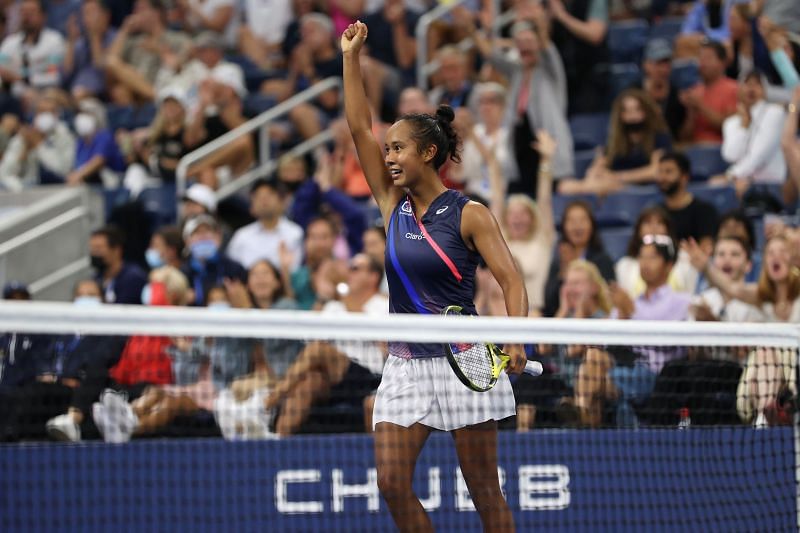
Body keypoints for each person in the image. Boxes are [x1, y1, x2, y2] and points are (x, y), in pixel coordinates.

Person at [342, 21, 527, 532]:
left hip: (462, 359)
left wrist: (517, 339)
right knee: (391, 482)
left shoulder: (469, 213)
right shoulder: (391, 205)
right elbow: (360, 128)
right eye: (389, 150)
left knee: (484, 492)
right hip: (405, 365)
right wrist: (351, 59)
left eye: (399, 148)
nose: (389, 156)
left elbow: (511, 279)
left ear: (428, 153)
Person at [264, 253, 388, 436]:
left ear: (373, 276)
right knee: (309, 382)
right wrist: (323, 299)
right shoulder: (333, 307)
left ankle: (269, 401)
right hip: (334, 379)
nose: (348, 273)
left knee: (320, 350)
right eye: (349, 268)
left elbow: (384, 345)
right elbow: (309, 338)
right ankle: (275, 441)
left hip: (369, 378)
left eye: (355, 268)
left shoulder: (383, 305)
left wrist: (343, 292)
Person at [720, 71, 787, 198]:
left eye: (757, 84)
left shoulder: (775, 113)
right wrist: (744, 126)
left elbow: (760, 154)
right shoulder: (731, 122)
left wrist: (730, 175)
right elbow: (730, 155)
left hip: (770, 184)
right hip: (740, 181)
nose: (751, 88)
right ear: (739, 90)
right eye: (747, 84)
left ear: (765, 91)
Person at [543, 200, 615, 317]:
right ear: (564, 226)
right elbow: (549, 304)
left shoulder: (603, 260)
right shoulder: (558, 261)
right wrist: (564, 270)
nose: (577, 226)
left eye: (582, 220)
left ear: (592, 225)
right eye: (571, 221)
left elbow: (609, 297)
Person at [615, 205, 697, 298]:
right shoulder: (625, 265)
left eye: (660, 223)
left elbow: (691, 294)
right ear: (638, 230)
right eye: (647, 222)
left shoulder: (684, 260)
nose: (654, 228)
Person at [0, 93, 76, 190]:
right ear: (35, 114)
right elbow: (5, 172)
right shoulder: (24, 136)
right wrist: (24, 152)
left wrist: (39, 145)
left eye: (51, 112)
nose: (46, 115)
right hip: (30, 189)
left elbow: (63, 170)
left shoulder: (65, 136)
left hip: (59, 187)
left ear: (57, 114)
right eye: (42, 111)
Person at [226, 178, 304, 270]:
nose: (264, 200)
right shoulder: (241, 236)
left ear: (282, 202)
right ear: (252, 207)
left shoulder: (295, 233)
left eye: (269, 195)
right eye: (258, 196)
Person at [689, 235, 764, 322]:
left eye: (734, 254)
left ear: (748, 265)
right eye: (721, 254)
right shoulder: (702, 301)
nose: (727, 259)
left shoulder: (756, 300)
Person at [657, 151, 718, 253]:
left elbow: (707, 249)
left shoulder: (704, 210)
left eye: (668, 172)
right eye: (660, 172)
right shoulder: (656, 212)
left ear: (684, 177)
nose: (662, 177)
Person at [679, 40, 739, 143]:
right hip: (695, 149)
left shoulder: (734, 89)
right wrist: (691, 115)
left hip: (721, 151)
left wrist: (700, 106)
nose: (702, 63)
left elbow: (729, 127)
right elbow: (684, 137)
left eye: (708, 58)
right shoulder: (695, 91)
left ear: (722, 62)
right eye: (700, 58)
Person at [180, 214, 246, 306]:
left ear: (218, 237)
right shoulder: (182, 273)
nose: (203, 236)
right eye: (197, 233)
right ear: (187, 240)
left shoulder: (234, 269)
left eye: (207, 231)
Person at [89, 225, 148, 305]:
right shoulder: (96, 278)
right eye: (92, 249)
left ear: (117, 250)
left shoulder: (133, 277)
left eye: (99, 248)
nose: (94, 253)